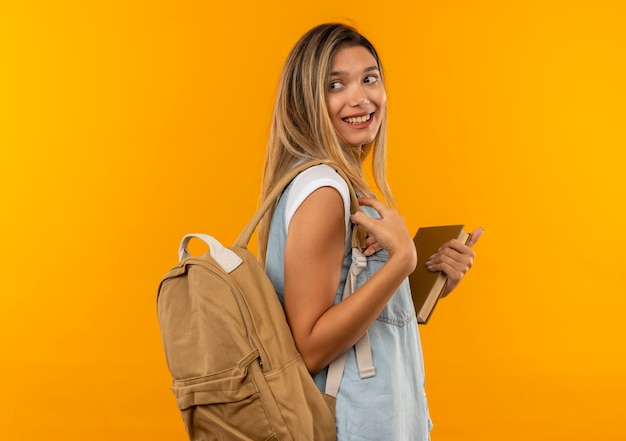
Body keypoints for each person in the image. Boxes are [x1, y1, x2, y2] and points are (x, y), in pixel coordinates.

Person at [258, 23, 483, 440]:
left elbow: (352, 307)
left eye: (369, 78)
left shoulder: (339, 184)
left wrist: (426, 284)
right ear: (305, 100)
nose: (360, 98)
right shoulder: (324, 190)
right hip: (352, 425)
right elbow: (310, 346)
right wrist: (401, 261)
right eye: (335, 84)